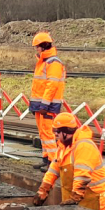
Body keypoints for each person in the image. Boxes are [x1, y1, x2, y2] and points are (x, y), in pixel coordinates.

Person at [33, 112, 105, 210]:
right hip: (78, 199)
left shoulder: (84, 146)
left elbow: (82, 176)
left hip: (93, 198)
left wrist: (75, 198)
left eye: (57, 131)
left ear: (65, 131)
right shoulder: (63, 147)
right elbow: (53, 170)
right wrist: (43, 190)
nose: (55, 134)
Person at [29, 31, 66, 171]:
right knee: (43, 133)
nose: (36, 49)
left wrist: (44, 104)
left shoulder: (53, 63)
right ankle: (46, 159)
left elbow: (52, 85)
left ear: (43, 46)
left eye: (37, 46)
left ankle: (53, 162)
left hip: (48, 105)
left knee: (48, 133)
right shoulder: (43, 62)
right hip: (40, 104)